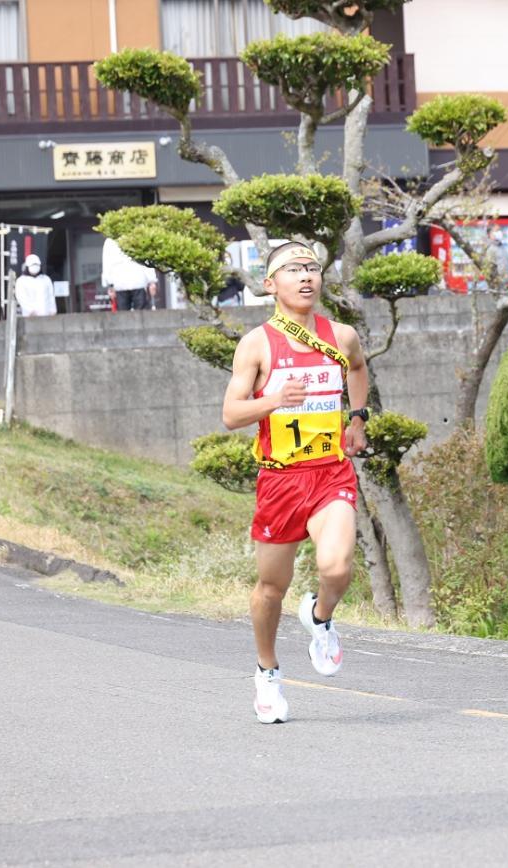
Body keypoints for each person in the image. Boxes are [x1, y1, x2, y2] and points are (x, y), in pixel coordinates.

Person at [220, 241, 369, 724]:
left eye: (312, 268)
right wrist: (275, 399)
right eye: (292, 269)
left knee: (338, 565)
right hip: (281, 481)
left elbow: (360, 369)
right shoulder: (258, 343)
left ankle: (321, 618)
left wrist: (358, 419)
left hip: (330, 472)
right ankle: (267, 672)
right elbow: (230, 414)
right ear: (270, 284)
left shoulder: (341, 336)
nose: (305, 277)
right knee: (270, 588)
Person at [101, 237, 158, 311]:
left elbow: (146, 259)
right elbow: (107, 263)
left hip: (137, 281)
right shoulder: (110, 241)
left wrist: (152, 280)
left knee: (141, 315)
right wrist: (110, 285)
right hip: (120, 283)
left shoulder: (139, 236)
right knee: (124, 316)